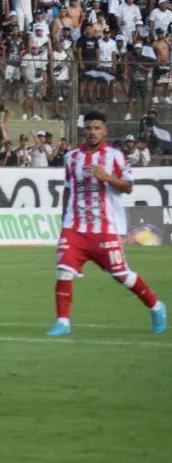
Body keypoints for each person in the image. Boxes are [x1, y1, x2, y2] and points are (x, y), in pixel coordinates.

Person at [48, 112, 166, 337]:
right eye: (88, 128)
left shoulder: (115, 156)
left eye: (96, 128)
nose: (92, 132)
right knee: (63, 270)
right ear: (84, 130)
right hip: (74, 228)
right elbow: (68, 189)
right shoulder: (71, 157)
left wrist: (107, 177)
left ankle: (156, 306)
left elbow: (128, 187)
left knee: (122, 275)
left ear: (105, 131)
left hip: (104, 229)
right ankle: (62, 322)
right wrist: (64, 220)